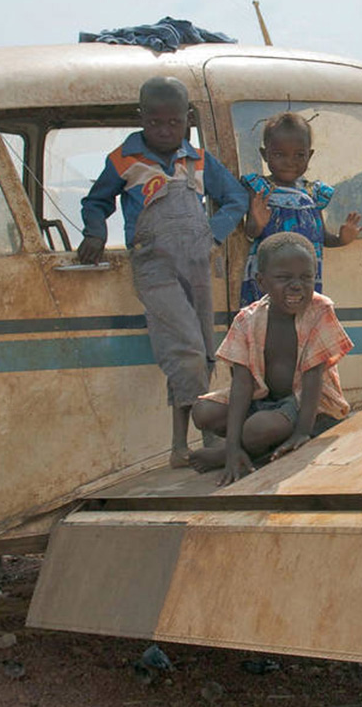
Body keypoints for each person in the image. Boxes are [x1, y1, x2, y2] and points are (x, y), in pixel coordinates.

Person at [78, 76, 248, 468]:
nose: (164, 131)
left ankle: (179, 448)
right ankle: (205, 438)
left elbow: (235, 198)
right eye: (154, 123)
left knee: (202, 351)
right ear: (141, 119)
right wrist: (95, 231)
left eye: (173, 123)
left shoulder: (199, 159)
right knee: (185, 348)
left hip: (197, 261)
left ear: (187, 120)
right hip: (153, 264)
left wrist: (214, 234)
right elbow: (96, 201)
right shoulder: (124, 158)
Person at [190, 232, 354, 485]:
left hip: (307, 404)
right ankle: (237, 450)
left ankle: (237, 453)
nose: (297, 285)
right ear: (262, 282)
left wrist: (301, 433)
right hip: (264, 398)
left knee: (258, 430)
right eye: (283, 278)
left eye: (306, 277)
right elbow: (242, 385)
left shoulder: (319, 311)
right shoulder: (248, 320)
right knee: (202, 412)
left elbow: (313, 380)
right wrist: (233, 444)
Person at [238, 112, 362, 306]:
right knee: (267, 325)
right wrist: (258, 223)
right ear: (265, 154)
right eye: (280, 154)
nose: (290, 162)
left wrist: (341, 239)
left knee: (301, 325)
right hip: (271, 280)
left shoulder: (313, 194)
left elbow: (322, 236)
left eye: (299, 155)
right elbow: (251, 233)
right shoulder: (260, 190)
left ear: (310, 155)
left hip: (304, 280)